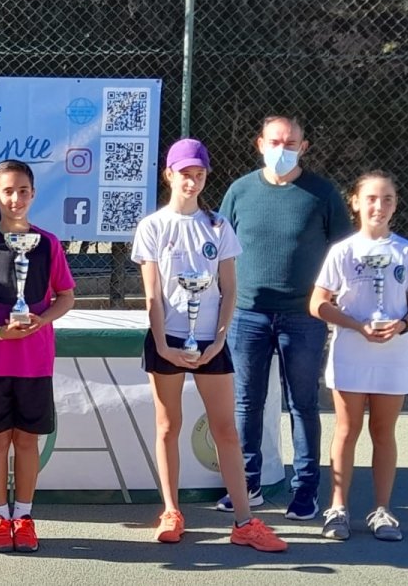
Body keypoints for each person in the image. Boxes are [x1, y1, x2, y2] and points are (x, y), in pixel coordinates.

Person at [133, 139, 286, 552]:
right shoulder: (152, 226)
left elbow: (230, 288)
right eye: (185, 173)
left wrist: (218, 340)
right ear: (169, 174)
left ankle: (244, 521)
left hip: (210, 344)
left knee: (226, 431)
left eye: (199, 174)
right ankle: (171, 511)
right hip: (166, 340)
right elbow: (151, 295)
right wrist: (163, 344)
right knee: (168, 426)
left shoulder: (218, 226)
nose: (192, 181)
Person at [218, 116, 351, 520]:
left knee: (303, 405)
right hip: (247, 315)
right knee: (246, 403)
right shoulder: (239, 191)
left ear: (303, 146)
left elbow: (342, 254)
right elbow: (221, 248)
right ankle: (247, 484)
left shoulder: (322, 194)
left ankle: (305, 491)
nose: (282, 148)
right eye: (275, 141)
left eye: (290, 142)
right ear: (260, 143)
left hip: (304, 317)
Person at [0, 159, 75, 552]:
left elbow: (66, 296)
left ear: (33, 194)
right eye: (8, 191)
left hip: (34, 363)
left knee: (25, 442)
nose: (16, 198)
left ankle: (23, 516)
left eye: (23, 190)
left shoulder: (49, 243)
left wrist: (40, 321)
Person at [310, 171, 408, 542]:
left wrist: (403, 325)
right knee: (347, 430)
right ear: (356, 203)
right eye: (372, 198)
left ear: (395, 204)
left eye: (387, 198)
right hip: (350, 353)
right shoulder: (342, 251)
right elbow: (317, 304)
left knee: (383, 431)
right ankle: (338, 509)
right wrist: (356, 325)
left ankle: (382, 510)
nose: (379, 206)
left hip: (392, 356)